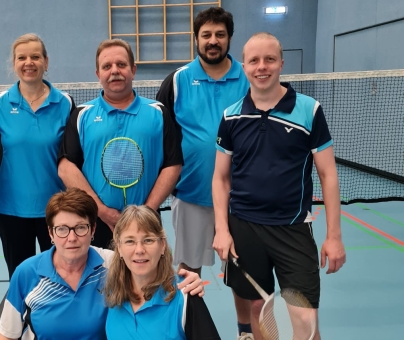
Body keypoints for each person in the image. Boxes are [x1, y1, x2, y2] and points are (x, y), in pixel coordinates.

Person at [212, 32, 347, 340]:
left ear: (281, 64)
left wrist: (334, 236)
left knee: (305, 319)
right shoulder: (231, 116)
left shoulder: (308, 110)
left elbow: (328, 175)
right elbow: (221, 178)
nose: (262, 67)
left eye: (269, 59)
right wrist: (222, 228)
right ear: (244, 66)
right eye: (254, 60)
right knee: (260, 310)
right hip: (244, 227)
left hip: (293, 228)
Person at [155, 7, 253, 339]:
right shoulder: (178, 81)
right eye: (206, 35)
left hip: (240, 198)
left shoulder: (248, 78)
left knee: (242, 271)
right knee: (187, 271)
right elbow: (163, 135)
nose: (213, 41)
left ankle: (245, 332)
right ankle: (190, 328)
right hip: (192, 194)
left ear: (229, 38)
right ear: (196, 38)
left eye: (220, 35)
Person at [0, 188, 204, 340]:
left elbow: (148, 267)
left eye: (81, 228)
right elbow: (6, 335)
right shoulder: (27, 274)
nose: (71, 238)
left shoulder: (112, 264)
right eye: (62, 229)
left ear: (93, 230)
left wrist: (185, 281)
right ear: (50, 233)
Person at [58, 39, 183, 249]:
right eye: (107, 66)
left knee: (146, 282)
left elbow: (173, 164)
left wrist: (147, 211)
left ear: (133, 70)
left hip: (147, 222)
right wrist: (102, 212)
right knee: (100, 282)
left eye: (121, 65)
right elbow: (66, 167)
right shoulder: (81, 115)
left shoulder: (158, 112)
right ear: (98, 74)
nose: (114, 71)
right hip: (95, 223)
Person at [0, 33, 75, 278]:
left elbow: (74, 157)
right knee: (20, 276)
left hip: (57, 208)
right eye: (22, 57)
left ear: (46, 62)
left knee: (61, 275)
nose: (29, 62)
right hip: (12, 209)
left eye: (35, 57)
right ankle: (24, 318)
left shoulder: (66, 104)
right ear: (14, 63)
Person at [104, 205, 221, 340]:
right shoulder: (109, 293)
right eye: (130, 241)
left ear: (162, 245)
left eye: (148, 240)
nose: (139, 250)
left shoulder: (185, 296)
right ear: (119, 247)